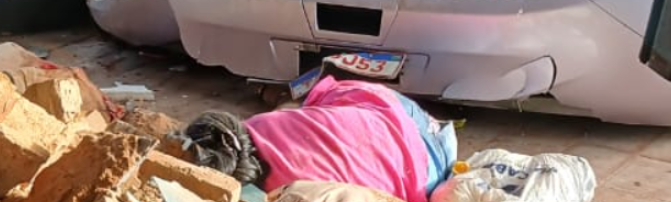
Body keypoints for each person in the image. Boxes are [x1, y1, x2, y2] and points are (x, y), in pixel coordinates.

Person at [173, 76, 459, 202]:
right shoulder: (254, 127)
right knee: (319, 101)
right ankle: (283, 94)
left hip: (427, 175)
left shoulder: (285, 192)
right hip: (392, 107)